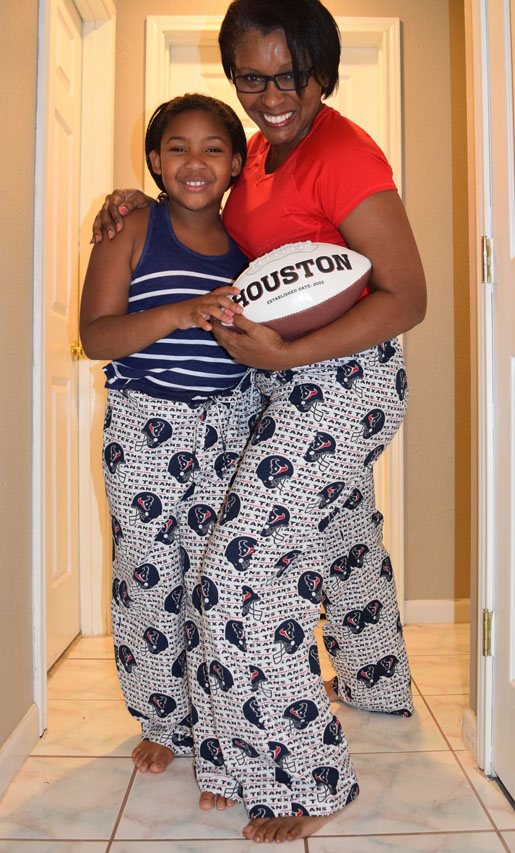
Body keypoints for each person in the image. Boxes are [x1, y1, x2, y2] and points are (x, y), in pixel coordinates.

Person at [92, 0, 426, 843]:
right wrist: (133, 196)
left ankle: (302, 772)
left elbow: (408, 296)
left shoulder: (344, 154)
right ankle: (379, 684)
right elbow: (199, 211)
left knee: (247, 570)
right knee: (342, 533)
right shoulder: (267, 155)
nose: (272, 93)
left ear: (324, 70)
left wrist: (284, 361)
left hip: (338, 376)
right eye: (252, 76)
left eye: (291, 75)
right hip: (276, 384)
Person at [80, 93, 262, 792]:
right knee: (149, 577)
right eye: (177, 147)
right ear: (154, 161)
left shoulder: (251, 241)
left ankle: (220, 730)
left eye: (213, 148)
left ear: (236, 163)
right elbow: (98, 334)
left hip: (232, 422)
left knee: (217, 584)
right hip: (143, 424)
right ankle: (164, 720)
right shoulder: (133, 225)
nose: (195, 161)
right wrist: (183, 313)